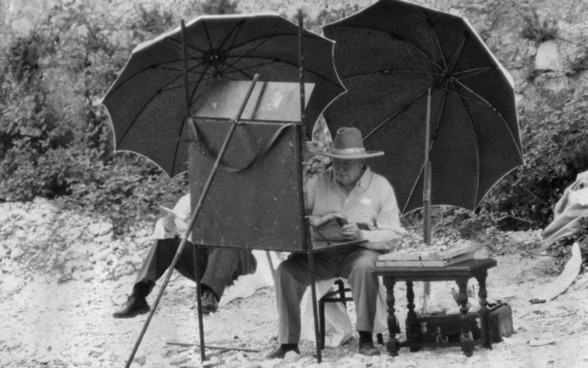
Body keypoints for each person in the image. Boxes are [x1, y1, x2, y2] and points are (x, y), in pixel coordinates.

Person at [266, 127, 406, 358]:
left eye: (345, 164)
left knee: (364, 267)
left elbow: (393, 234)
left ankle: (366, 337)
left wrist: (362, 235)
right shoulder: (319, 182)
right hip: (323, 254)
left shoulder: (381, 187)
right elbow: (295, 212)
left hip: (360, 251)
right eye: (336, 162)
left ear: (361, 162)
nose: (338, 168)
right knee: (286, 271)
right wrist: (315, 220)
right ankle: (288, 343)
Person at [113, 193, 257, 318]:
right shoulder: (189, 199)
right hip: (204, 266)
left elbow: (251, 235)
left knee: (228, 243)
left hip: (236, 266)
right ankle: (138, 296)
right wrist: (169, 226)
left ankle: (210, 296)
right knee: (167, 243)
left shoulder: (237, 197)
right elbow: (164, 232)